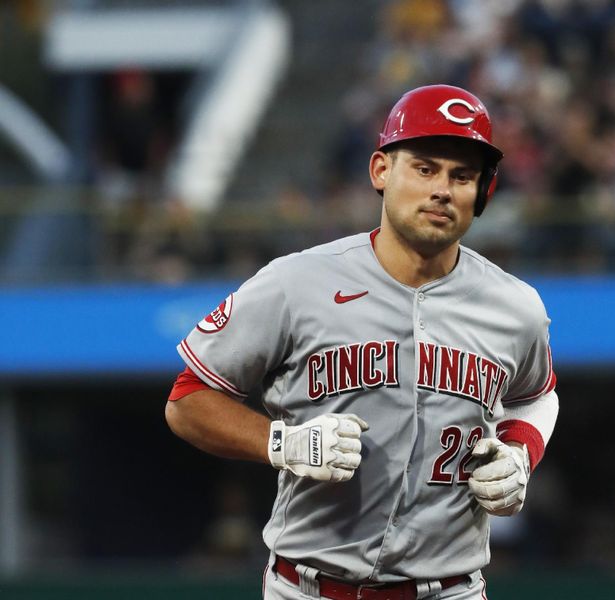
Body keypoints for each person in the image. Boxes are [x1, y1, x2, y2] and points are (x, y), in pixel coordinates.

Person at [165, 84, 559, 599]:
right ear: (381, 171)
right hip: (307, 588)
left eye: (462, 176)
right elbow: (187, 400)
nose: (443, 188)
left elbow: (537, 395)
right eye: (425, 167)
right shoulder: (296, 282)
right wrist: (283, 443)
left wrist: (518, 454)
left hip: (449, 589)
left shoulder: (515, 305)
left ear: (482, 192)